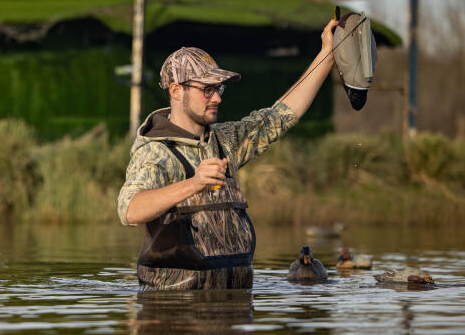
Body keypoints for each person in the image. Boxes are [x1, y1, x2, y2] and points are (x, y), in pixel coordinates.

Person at [118, 19, 338, 291]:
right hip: (172, 313)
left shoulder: (225, 140)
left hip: (233, 308)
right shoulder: (156, 152)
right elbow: (130, 210)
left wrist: (327, 55)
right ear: (177, 91)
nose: (217, 98)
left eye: (218, 89)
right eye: (206, 90)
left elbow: (280, 117)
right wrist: (194, 184)